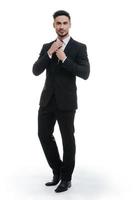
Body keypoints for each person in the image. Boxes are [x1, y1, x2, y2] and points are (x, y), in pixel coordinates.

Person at [32, 10, 90, 193]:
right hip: (47, 101)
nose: (62, 26)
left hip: (66, 103)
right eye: (58, 23)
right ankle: (57, 171)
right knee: (43, 135)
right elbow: (35, 70)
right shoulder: (46, 46)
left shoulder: (79, 47)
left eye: (65, 23)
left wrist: (65, 60)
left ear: (70, 24)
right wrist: (49, 53)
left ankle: (66, 178)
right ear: (54, 25)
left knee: (67, 140)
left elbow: (85, 73)